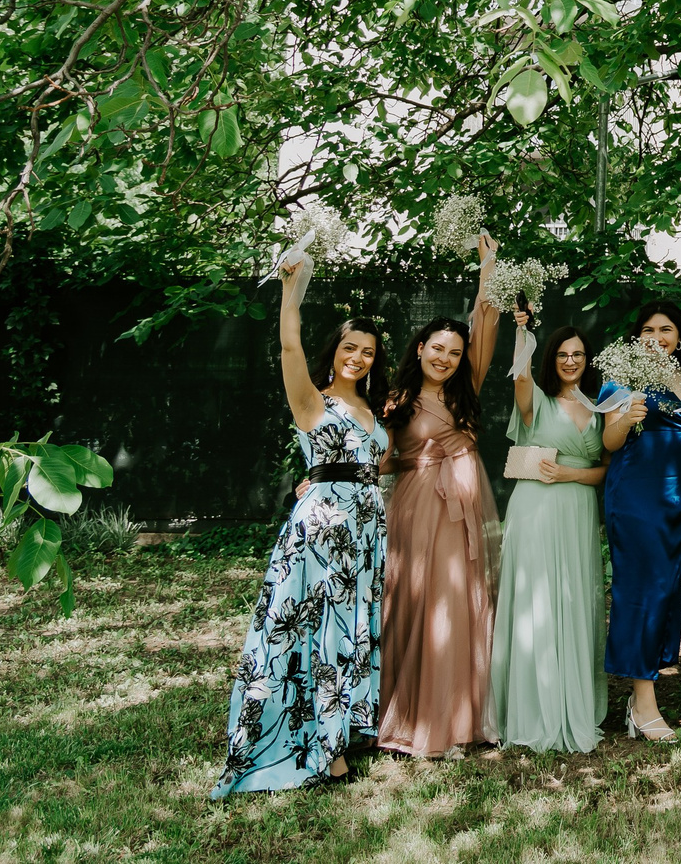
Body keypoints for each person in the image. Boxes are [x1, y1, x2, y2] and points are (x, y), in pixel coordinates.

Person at [212, 252, 386, 795]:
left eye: (368, 352)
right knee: (315, 628)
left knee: (349, 626)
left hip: (365, 534)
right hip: (322, 531)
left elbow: (378, 465)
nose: (357, 357)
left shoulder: (375, 411)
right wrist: (292, 289)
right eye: (349, 348)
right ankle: (323, 751)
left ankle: (339, 728)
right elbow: (289, 346)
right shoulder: (314, 402)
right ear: (333, 351)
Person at [376, 233, 501, 758]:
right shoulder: (396, 399)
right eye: (437, 349)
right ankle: (416, 714)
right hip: (417, 503)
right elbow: (377, 458)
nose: (446, 357)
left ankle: (460, 714)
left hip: (464, 504)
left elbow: (485, 324)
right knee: (419, 599)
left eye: (454, 351)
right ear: (420, 348)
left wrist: (487, 269)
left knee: (459, 600)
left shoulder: (465, 384)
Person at [487, 307, 609, 753]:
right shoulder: (536, 400)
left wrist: (569, 476)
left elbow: (602, 471)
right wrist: (522, 331)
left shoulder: (600, 407)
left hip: (577, 509)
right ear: (551, 358)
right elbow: (520, 379)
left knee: (574, 600)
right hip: (536, 508)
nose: (571, 360)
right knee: (537, 602)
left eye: (578, 354)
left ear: (587, 359)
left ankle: (570, 701)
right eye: (562, 353)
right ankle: (532, 708)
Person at [599, 300, 681, 740]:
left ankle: (641, 696)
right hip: (636, 497)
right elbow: (609, 442)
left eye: (665, 329)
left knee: (665, 590)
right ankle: (644, 706)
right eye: (647, 330)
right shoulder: (620, 379)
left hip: (680, 498)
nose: (656, 337)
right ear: (637, 337)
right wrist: (626, 417)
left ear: (678, 337)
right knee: (640, 591)